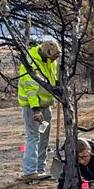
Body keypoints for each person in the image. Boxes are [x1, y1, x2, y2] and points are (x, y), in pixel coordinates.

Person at [18, 39, 61, 180]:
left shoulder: (51, 62)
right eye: (53, 57)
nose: (55, 59)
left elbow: (53, 80)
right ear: (46, 52)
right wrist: (35, 109)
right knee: (33, 137)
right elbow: (30, 89)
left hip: (46, 105)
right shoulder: (31, 62)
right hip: (32, 106)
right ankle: (30, 171)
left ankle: (40, 169)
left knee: (44, 138)